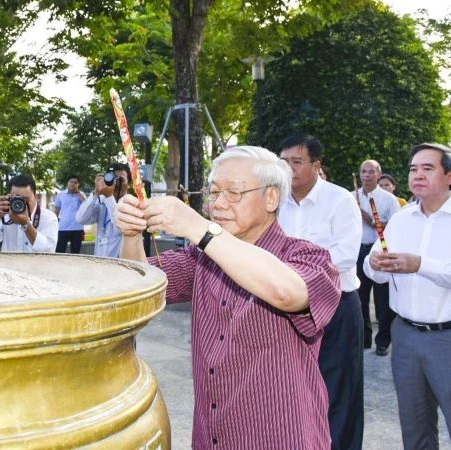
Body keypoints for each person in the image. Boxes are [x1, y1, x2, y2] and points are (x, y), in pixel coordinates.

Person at [115, 146, 341, 449]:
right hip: (213, 437)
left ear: (271, 198)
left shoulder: (308, 257)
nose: (218, 204)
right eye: (214, 193)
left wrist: (198, 227)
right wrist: (131, 235)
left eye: (233, 193)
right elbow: (138, 286)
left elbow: (287, 293)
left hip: (281, 437)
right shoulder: (202, 259)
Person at [364, 143, 451, 450]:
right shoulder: (401, 219)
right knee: (415, 427)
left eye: (427, 168)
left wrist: (422, 265)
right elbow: (377, 271)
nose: (417, 175)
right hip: (406, 336)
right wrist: (375, 264)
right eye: (413, 169)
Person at [278, 134, 364, 450]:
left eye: (296, 162)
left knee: (339, 391)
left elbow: (344, 255)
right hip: (286, 307)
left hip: (336, 308)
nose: (288, 169)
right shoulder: (273, 201)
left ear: (316, 165)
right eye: (282, 162)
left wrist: (290, 271)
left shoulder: (339, 200)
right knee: (294, 388)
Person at [354, 159, 400, 354]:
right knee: (360, 299)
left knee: (383, 300)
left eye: (371, 172)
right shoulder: (350, 197)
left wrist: (371, 220)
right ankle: (364, 339)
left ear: (378, 175)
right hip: (357, 250)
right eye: (363, 171)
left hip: (380, 251)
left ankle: (382, 341)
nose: (366, 175)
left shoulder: (389, 199)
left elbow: (396, 227)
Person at [0, 174, 58, 252]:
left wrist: (26, 224)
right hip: (9, 264)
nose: (21, 203)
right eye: (17, 199)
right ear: (9, 196)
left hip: (36, 265)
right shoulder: (5, 215)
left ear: (35, 196)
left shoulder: (49, 218)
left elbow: (48, 249)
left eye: (25, 199)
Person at [76, 163, 131, 258]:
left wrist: (109, 197)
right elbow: (81, 219)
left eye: (121, 179)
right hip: (100, 263)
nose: (116, 183)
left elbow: (122, 227)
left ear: (129, 184)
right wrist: (95, 193)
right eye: (114, 178)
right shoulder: (102, 201)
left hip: (121, 264)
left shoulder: (131, 203)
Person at [54, 175, 86, 254]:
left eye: (75, 182)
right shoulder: (60, 195)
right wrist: (54, 224)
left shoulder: (81, 194)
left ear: (78, 184)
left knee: (76, 253)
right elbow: (56, 211)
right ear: (68, 183)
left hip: (77, 228)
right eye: (71, 182)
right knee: (59, 251)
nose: (73, 184)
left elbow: (87, 206)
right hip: (63, 228)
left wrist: (79, 194)